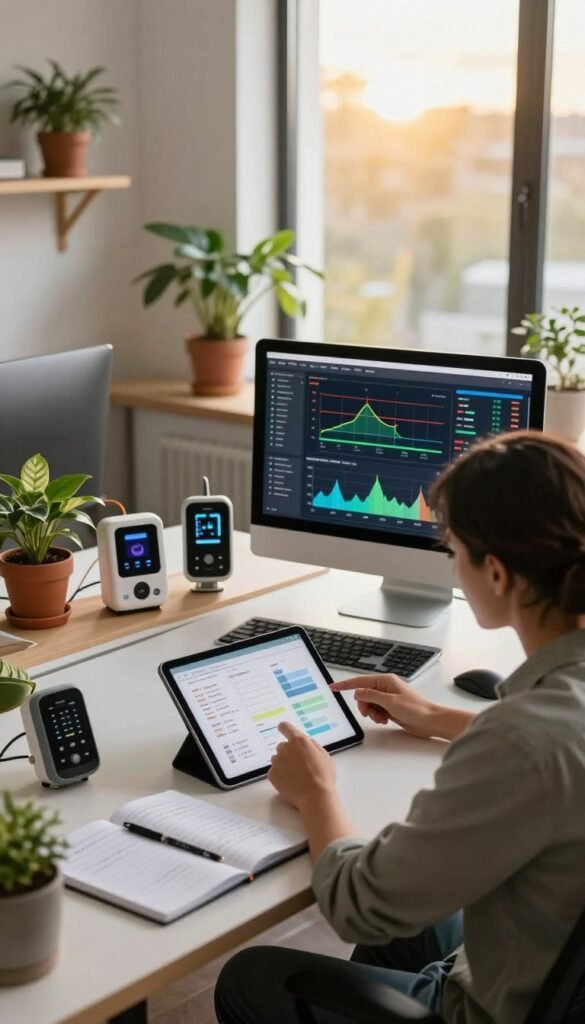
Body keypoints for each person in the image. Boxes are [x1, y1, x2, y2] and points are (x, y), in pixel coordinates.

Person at [215, 431, 585, 1024]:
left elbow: (356, 905)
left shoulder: (522, 742)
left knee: (248, 976)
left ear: (495, 573)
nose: (452, 564)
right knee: (409, 909)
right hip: (541, 962)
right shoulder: (554, 711)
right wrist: (441, 717)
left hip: (491, 1006)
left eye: (455, 548)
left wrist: (316, 792)